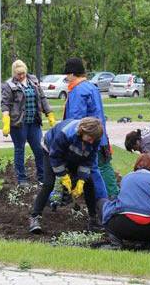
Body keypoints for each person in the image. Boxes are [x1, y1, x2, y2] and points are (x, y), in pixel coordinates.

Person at [29, 117, 104, 234]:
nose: (91, 142)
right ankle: (34, 217)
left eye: (93, 140)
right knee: (49, 183)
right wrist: (63, 175)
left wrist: (81, 180)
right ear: (82, 131)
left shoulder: (95, 138)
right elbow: (55, 156)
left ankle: (93, 219)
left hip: (71, 153)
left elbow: (88, 160)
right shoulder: (65, 134)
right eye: (90, 138)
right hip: (50, 150)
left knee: (89, 181)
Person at [62, 57, 118, 198]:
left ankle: (104, 200)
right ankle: (114, 195)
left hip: (89, 138)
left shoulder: (78, 91)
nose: (66, 78)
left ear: (73, 74)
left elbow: (76, 120)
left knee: (94, 169)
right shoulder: (91, 87)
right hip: (100, 135)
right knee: (105, 167)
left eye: (67, 75)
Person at [1, 59, 57, 188]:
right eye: (18, 74)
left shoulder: (34, 81)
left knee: (40, 150)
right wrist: (6, 121)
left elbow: (42, 98)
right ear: (14, 73)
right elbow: (5, 104)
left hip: (34, 123)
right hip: (18, 124)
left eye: (23, 73)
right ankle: (22, 179)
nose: (21, 76)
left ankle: (42, 177)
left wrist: (50, 115)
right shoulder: (9, 85)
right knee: (20, 150)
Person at [100, 153, 150, 249]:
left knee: (104, 205)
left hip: (123, 225)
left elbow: (118, 201)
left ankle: (116, 243)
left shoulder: (126, 178)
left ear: (136, 166)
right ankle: (148, 242)